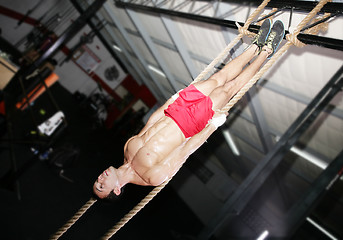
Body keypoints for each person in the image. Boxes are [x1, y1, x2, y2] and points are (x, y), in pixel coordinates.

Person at [93, 19, 285, 200]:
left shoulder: (127, 148)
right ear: (117, 190)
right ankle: (266, 51)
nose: (100, 178)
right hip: (190, 124)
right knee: (229, 88)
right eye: (102, 185)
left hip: (175, 110)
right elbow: (185, 151)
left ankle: (255, 45)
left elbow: (152, 121)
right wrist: (212, 127)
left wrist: (172, 100)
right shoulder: (151, 178)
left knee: (217, 78)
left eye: (97, 180)